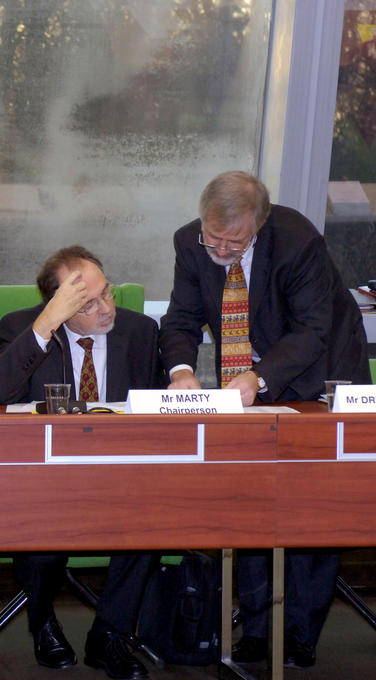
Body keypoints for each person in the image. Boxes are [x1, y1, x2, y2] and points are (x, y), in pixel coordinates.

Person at [159, 171, 371, 668]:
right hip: (247, 382)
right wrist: (182, 370)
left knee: (316, 509)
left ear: (260, 223)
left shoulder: (298, 242)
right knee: (250, 500)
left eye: (235, 243)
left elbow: (312, 330)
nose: (221, 249)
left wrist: (258, 378)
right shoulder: (189, 243)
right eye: (214, 237)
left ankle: (299, 632)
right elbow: (182, 317)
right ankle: (257, 629)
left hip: (323, 374)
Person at [0, 246, 164, 680]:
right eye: (88, 303)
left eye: (108, 294)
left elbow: (158, 409)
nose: (106, 309)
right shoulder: (23, 329)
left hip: (121, 478)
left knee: (155, 518)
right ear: (59, 306)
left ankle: (110, 636)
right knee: (39, 526)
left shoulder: (139, 331)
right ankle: (42, 620)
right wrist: (46, 324)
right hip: (47, 480)